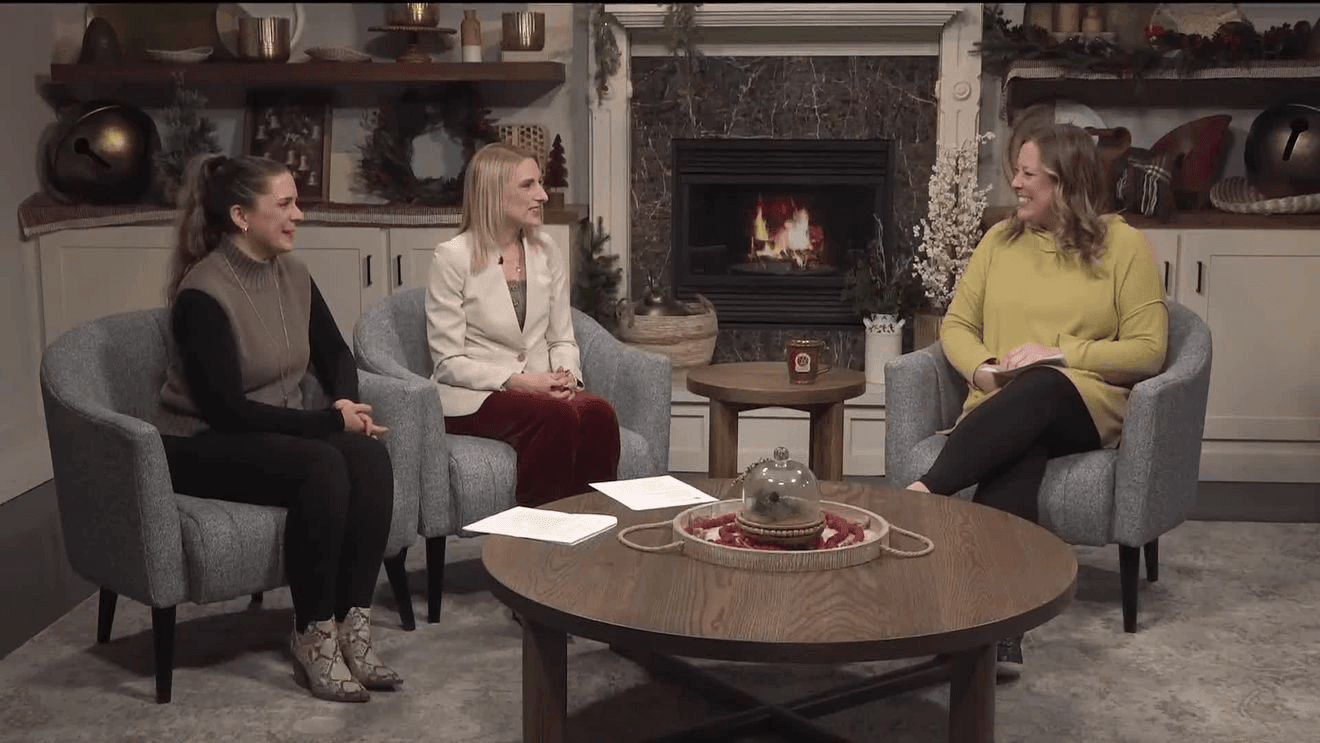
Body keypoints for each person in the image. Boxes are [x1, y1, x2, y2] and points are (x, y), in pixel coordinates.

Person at [906, 122, 1168, 671]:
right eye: (1016, 172)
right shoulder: (999, 242)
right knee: (1016, 456)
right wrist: (982, 371)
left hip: (1082, 402)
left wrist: (1062, 354)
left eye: (1029, 175)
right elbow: (957, 325)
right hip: (1004, 407)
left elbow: (1149, 350)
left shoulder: (1123, 246)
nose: (1015, 184)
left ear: (1066, 184)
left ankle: (925, 491)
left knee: (1042, 382)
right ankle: (993, 636)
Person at [153, 154, 401, 703]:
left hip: (268, 430)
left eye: (297, 202)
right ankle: (312, 637)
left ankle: (352, 626)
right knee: (322, 465)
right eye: (285, 204)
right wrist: (327, 422)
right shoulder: (203, 292)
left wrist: (344, 401)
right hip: (198, 442)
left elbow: (335, 354)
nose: (299, 215)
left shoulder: (293, 273)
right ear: (241, 217)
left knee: (368, 455)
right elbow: (226, 412)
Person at [425, 141, 621, 506]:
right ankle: (539, 533)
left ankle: (593, 528)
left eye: (540, 183)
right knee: (553, 417)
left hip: (539, 388)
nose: (543, 195)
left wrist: (566, 377)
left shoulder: (546, 250)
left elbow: (562, 338)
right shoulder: (452, 257)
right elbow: (448, 362)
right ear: (493, 193)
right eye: (528, 185)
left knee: (599, 414)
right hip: (474, 396)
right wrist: (520, 382)